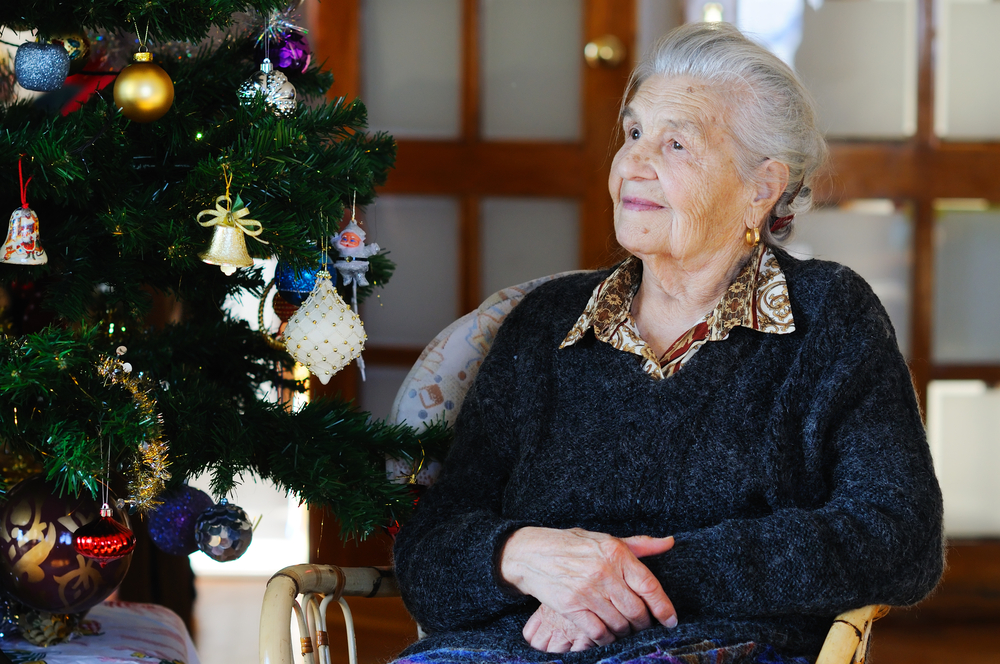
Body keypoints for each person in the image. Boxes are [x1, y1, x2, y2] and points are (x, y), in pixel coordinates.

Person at [392, 22, 944, 664]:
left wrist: (634, 581)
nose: (632, 164)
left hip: (715, 647)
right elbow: (429, 555)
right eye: (632, 134)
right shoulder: (546, 323)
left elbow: (898, 536)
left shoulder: (825, 316)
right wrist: (520, 556)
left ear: (761, 187)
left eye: (675, 143)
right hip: (507, 649)